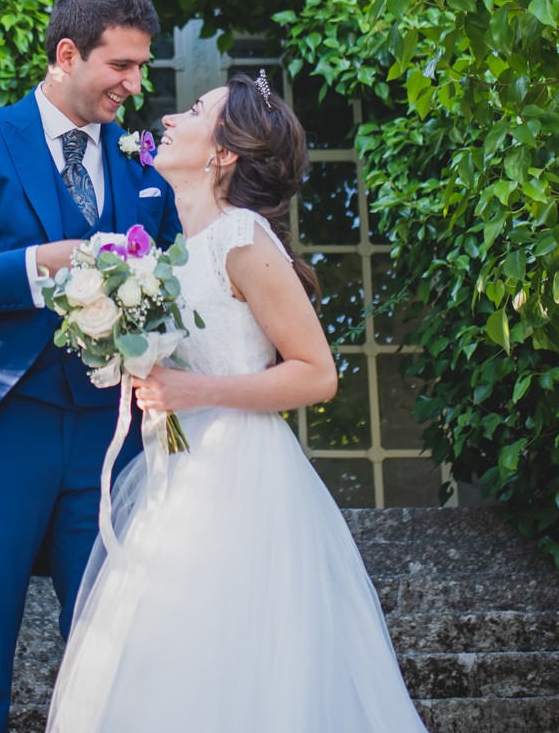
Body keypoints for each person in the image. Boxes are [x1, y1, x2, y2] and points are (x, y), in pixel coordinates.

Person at [45, 72, 428, 732]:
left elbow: (317, 373)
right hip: (177, 469)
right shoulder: (177, 251)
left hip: (239, 479)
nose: (168, 118)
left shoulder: (244, 237)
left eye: (194, 111)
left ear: (222, 153)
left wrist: (197, 389)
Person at [0, 0, 183, 733]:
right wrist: (36, 265)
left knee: (108, 657)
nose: (134, 83)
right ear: (66, 53)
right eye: (120, 65)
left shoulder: (142, 168)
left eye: (141, 67)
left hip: (107, 443)